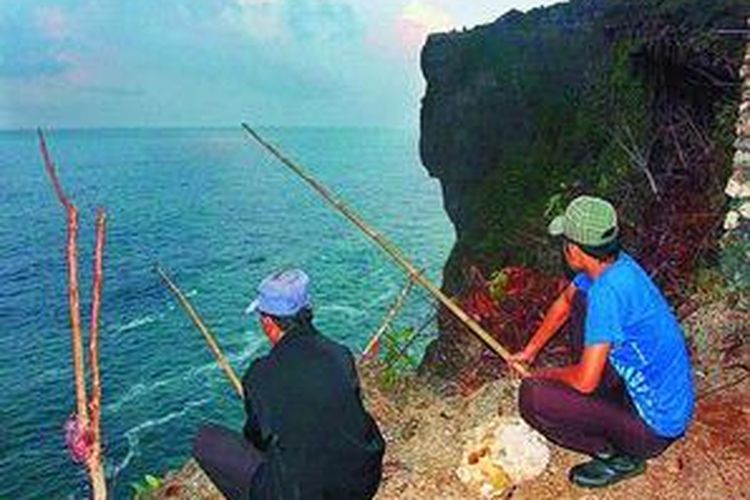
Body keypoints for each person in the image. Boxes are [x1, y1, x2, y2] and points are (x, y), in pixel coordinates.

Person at [511, 195, 695, 488]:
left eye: (565, 243)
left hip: (653, 427)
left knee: (533, 396)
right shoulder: (615, 265)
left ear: (574, 249)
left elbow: (585, 382)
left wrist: (541, 374)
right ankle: (600, 403)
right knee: (580, 300)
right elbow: (565, 302)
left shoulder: (607, 293)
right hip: (649, 393)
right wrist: (530, 351)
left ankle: (618, 457)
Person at [193, 269, 385, 499]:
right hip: (363, 481)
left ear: (268, 323)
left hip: (308, 493)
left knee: (205, 441)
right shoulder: (340, 354)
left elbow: (257, 439)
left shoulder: (260, 374)